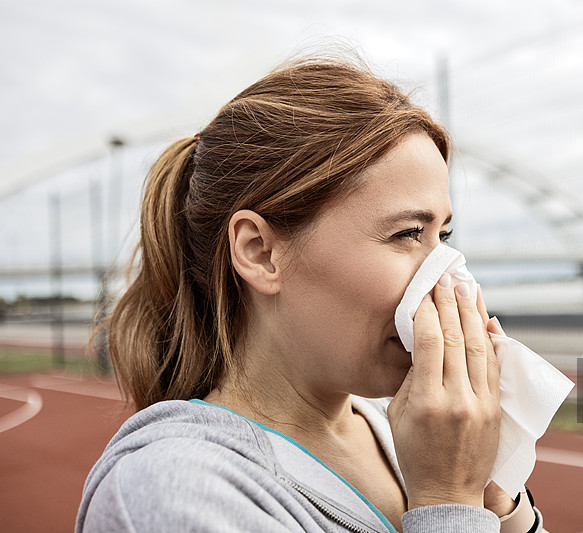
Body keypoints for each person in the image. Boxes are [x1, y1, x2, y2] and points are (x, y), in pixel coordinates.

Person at [76, 54, 543, 533]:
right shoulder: (171, 492)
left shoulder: (410, 429)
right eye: (407, 233)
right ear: (260, 253)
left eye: (442, 236)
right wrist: (449, 500)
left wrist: (496, 501)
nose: (449, 279)